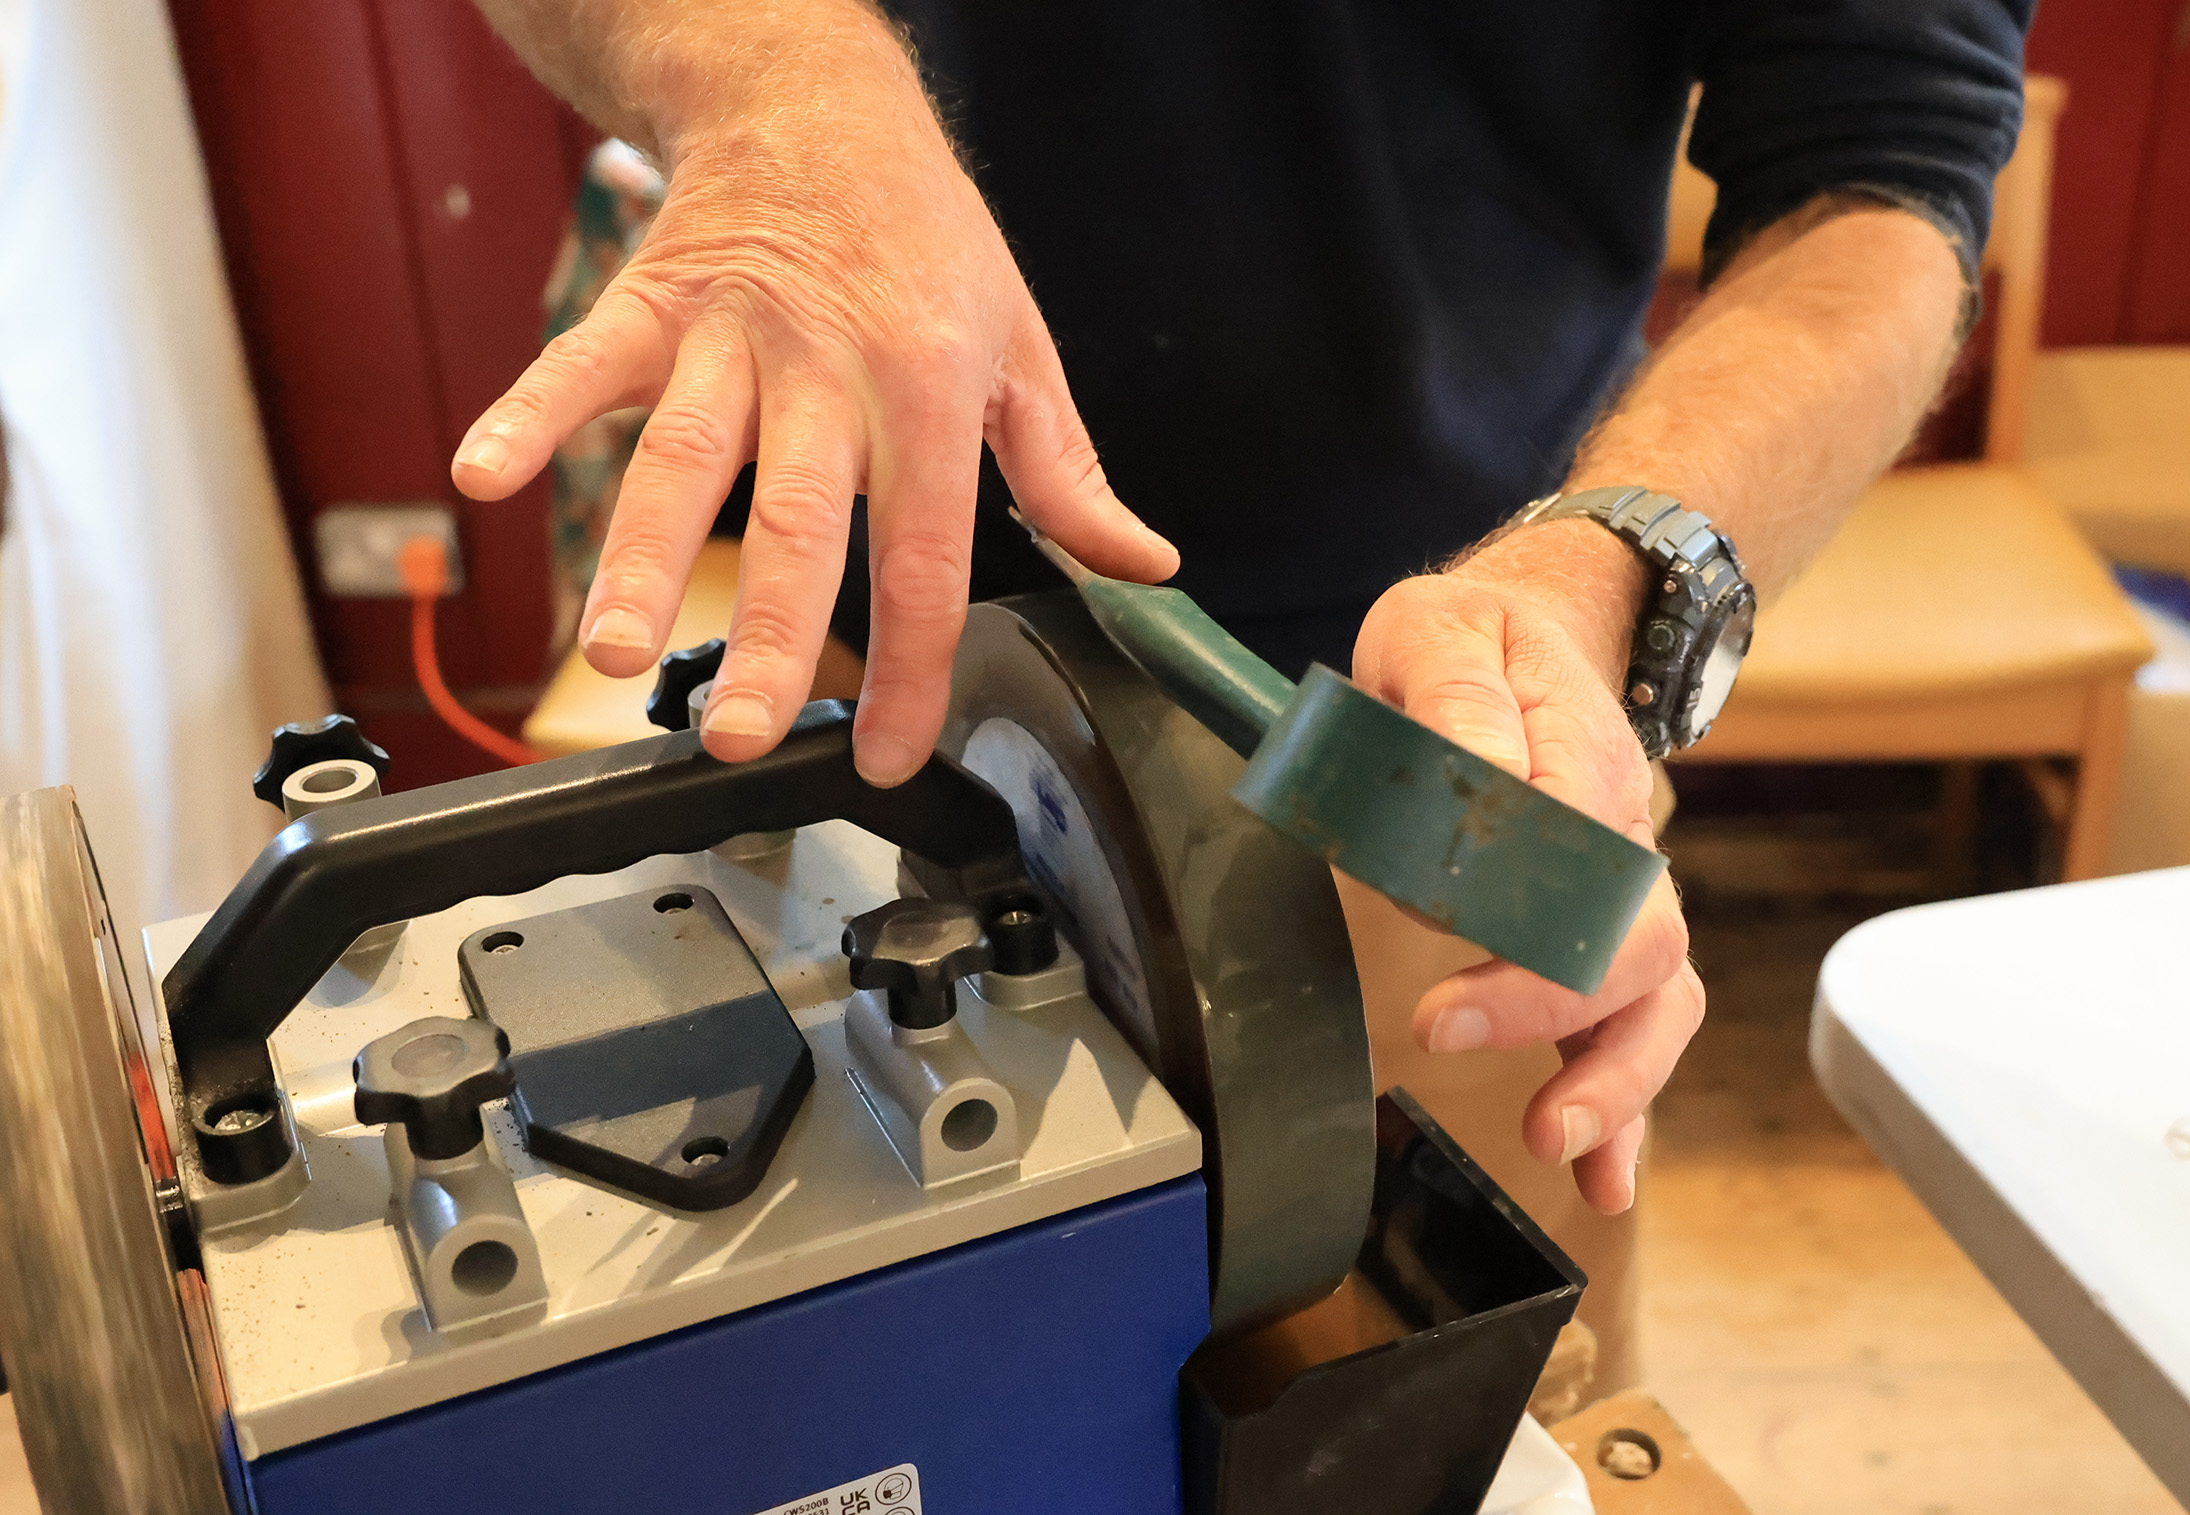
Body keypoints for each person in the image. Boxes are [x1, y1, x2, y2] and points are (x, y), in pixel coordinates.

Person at [451, 0, 2030, 1220]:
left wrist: (1607, 561)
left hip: (1435, 768)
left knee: (1427, 1406)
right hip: (904, 680)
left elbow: (1880, 180)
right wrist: (782, 85)